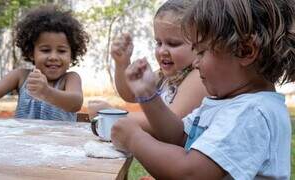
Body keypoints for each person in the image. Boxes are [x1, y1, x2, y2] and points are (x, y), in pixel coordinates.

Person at [111, 0, 295, 179]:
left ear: (245, 51)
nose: (195, 63)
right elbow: (178, 136)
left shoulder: (253, 112)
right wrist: (148, 96)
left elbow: (191, 172)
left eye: (201, 51)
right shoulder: (225, 103)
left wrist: (134, 139)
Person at [88, 0, 208, 136]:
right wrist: (122, 63)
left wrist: (114, 115)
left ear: (200, 45)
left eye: (173, 43)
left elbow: (169, 123)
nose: (162, 50)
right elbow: (131, 95)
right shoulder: (165, 76)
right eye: (158, 42)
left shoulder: (199, 77)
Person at [0, 5, 89, 122]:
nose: (54, 57)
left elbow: (75, 103)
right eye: (45, 50)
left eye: (61, 51)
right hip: (24, 140)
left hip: (59, 140)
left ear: (71, 54)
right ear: (30, 52)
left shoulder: (70, 78)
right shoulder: (20, 77)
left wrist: (46, 92)